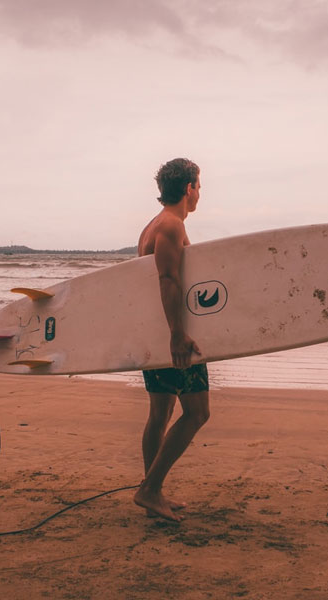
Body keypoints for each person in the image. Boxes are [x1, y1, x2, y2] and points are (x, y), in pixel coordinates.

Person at [133, 158, 209, 522]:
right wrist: (178, 335)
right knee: (197, 412)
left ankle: (153, 493)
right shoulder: (171, 225)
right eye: (200, 184)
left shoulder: (153, 225)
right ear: (189, 187)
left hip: (156, 333)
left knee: (160, 413)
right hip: (172, 336)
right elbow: (167, 280)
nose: (201, 192)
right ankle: (149, 489)